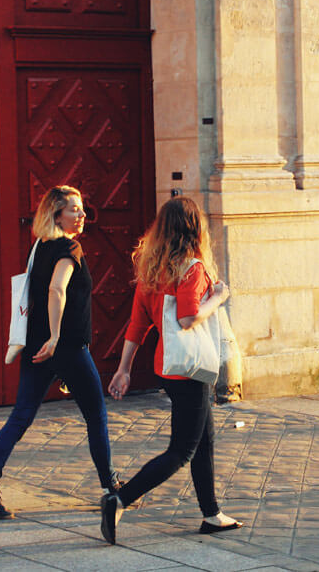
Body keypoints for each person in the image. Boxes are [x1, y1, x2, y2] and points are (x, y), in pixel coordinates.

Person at [0, 185, 118, 518]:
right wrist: (55, 336)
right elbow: (56, 289)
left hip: (37, 346)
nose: (81, 215)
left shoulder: (38, 247)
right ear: (57, 215)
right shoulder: (69, 248)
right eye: (74, 210)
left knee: (21, 416)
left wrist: (46, 340)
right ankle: (111, 488)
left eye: (81, 209)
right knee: (96, 415)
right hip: (64, 347)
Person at [101, 196, 242, 544]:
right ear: (195, 229)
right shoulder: (191, 268)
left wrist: (124, 369)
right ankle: (119, 499)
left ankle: (212, 514)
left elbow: (137, 324)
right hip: (190, 368)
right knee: (182, 450)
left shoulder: (152, 267)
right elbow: (188, 317)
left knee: (203, 439)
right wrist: (219, 298)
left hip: (169, 366)